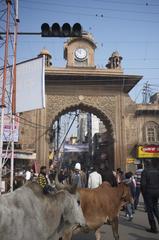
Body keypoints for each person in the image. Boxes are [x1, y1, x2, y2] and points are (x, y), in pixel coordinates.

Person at [141, 159, 159, 233]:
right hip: (157, 191)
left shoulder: (145, 171)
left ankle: (153, 228)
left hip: (148, 192)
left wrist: (143, 193)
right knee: (155, 208)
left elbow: (143, 184)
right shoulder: (157, 171)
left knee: (150, 210)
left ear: (146, 163)